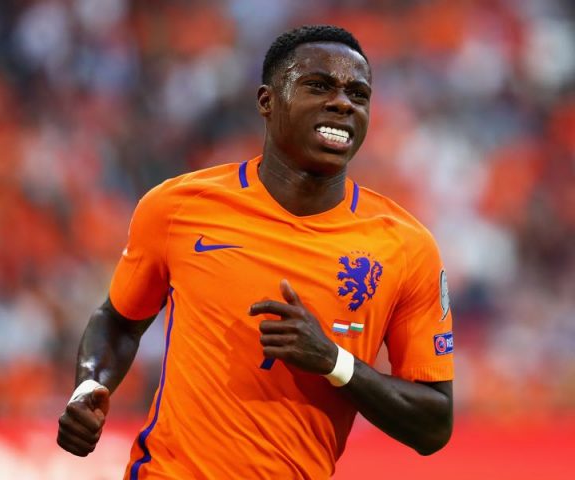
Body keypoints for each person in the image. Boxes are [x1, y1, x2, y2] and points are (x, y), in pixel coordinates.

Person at [57, 25, 454, 479]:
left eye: (358, 94)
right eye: (319, 86)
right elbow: (119, 321)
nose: (343, 103)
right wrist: (90, 384)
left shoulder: (406, 246)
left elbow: (434, 424)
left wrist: (334, 363)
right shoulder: (177, 207)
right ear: (267, 102)